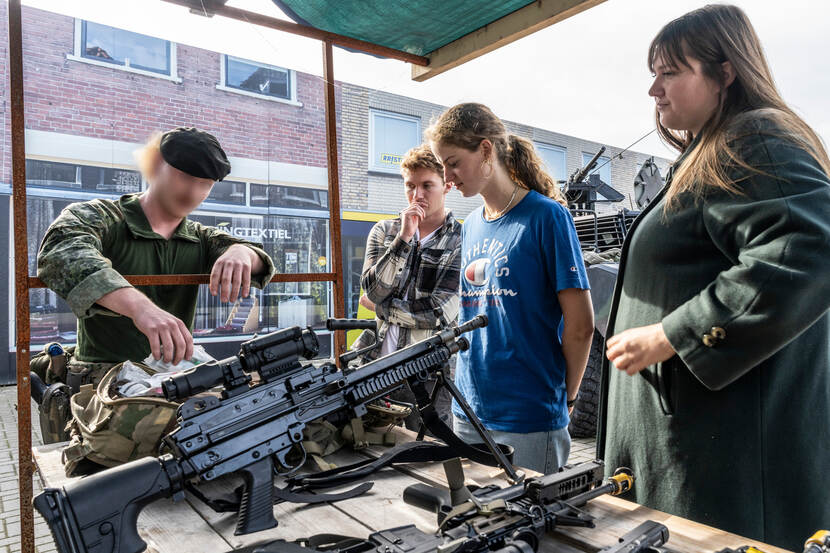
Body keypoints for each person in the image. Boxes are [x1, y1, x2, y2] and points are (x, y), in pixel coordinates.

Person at [596, 5, 830, 550]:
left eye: (670, 71)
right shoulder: (713, 147)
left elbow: (810, 248)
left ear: (726, 72)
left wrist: (674, 333)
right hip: (700, 442)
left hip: (728, 462)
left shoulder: (755, 137)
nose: (654, 89)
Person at [37, 127, 277, 388]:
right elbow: (62, 252)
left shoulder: (200, 237)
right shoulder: (99, 217)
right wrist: (141, 309)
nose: (193, 193)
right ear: (155, 167)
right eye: (184, 177)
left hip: (175, 378)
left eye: (205, 184)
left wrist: (241, 252)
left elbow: (258, 259)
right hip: (104, 381)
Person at [427, 103, 595, 474]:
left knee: (534, 524)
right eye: (443, 166)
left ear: (486, 150)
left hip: (528, 415)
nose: (447, 176)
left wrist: (565, 398)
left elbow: (581, 326)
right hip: (467, 408)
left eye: (453, 162)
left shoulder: (547, 217)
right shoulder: (470, 225)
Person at [353, 144, 462, 429]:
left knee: (428, 456)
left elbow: (440, 312)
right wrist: (403, 238)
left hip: (430, 373)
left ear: (447, 186)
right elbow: (373, 291)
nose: (417, 195)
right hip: (375, 364)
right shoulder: (385, 231)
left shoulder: (461, 239)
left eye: (428, 185)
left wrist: (382, 308)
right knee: (368, 445)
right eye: (410, 186)